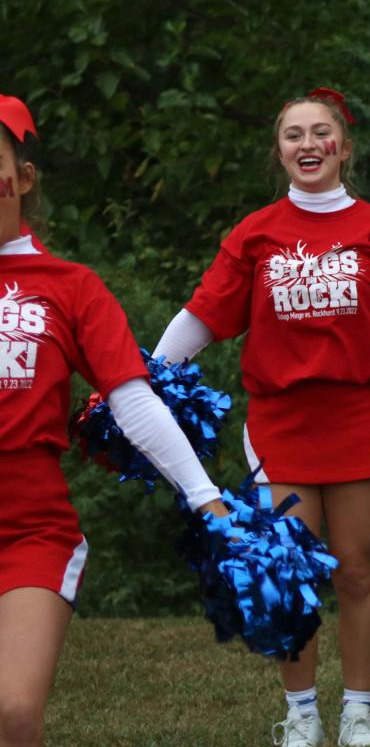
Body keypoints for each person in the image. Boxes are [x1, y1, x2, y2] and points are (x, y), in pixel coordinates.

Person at [152, 88, 370, 747]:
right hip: (281, 424)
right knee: (288, 569)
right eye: (293, 135)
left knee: (357, 569)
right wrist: (145, 379)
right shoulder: (256, 232)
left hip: (363, 417)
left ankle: (359, 711)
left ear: (344, 144)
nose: (307, 145)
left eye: (320, 132)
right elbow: (203, 315)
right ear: (278, 149)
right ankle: (303, 711)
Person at [0, 94, 227, 747]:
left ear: (22, 174)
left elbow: (132, 400)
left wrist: (203, 495)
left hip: (30, 531)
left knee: (15, 711)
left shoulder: (70, 285)